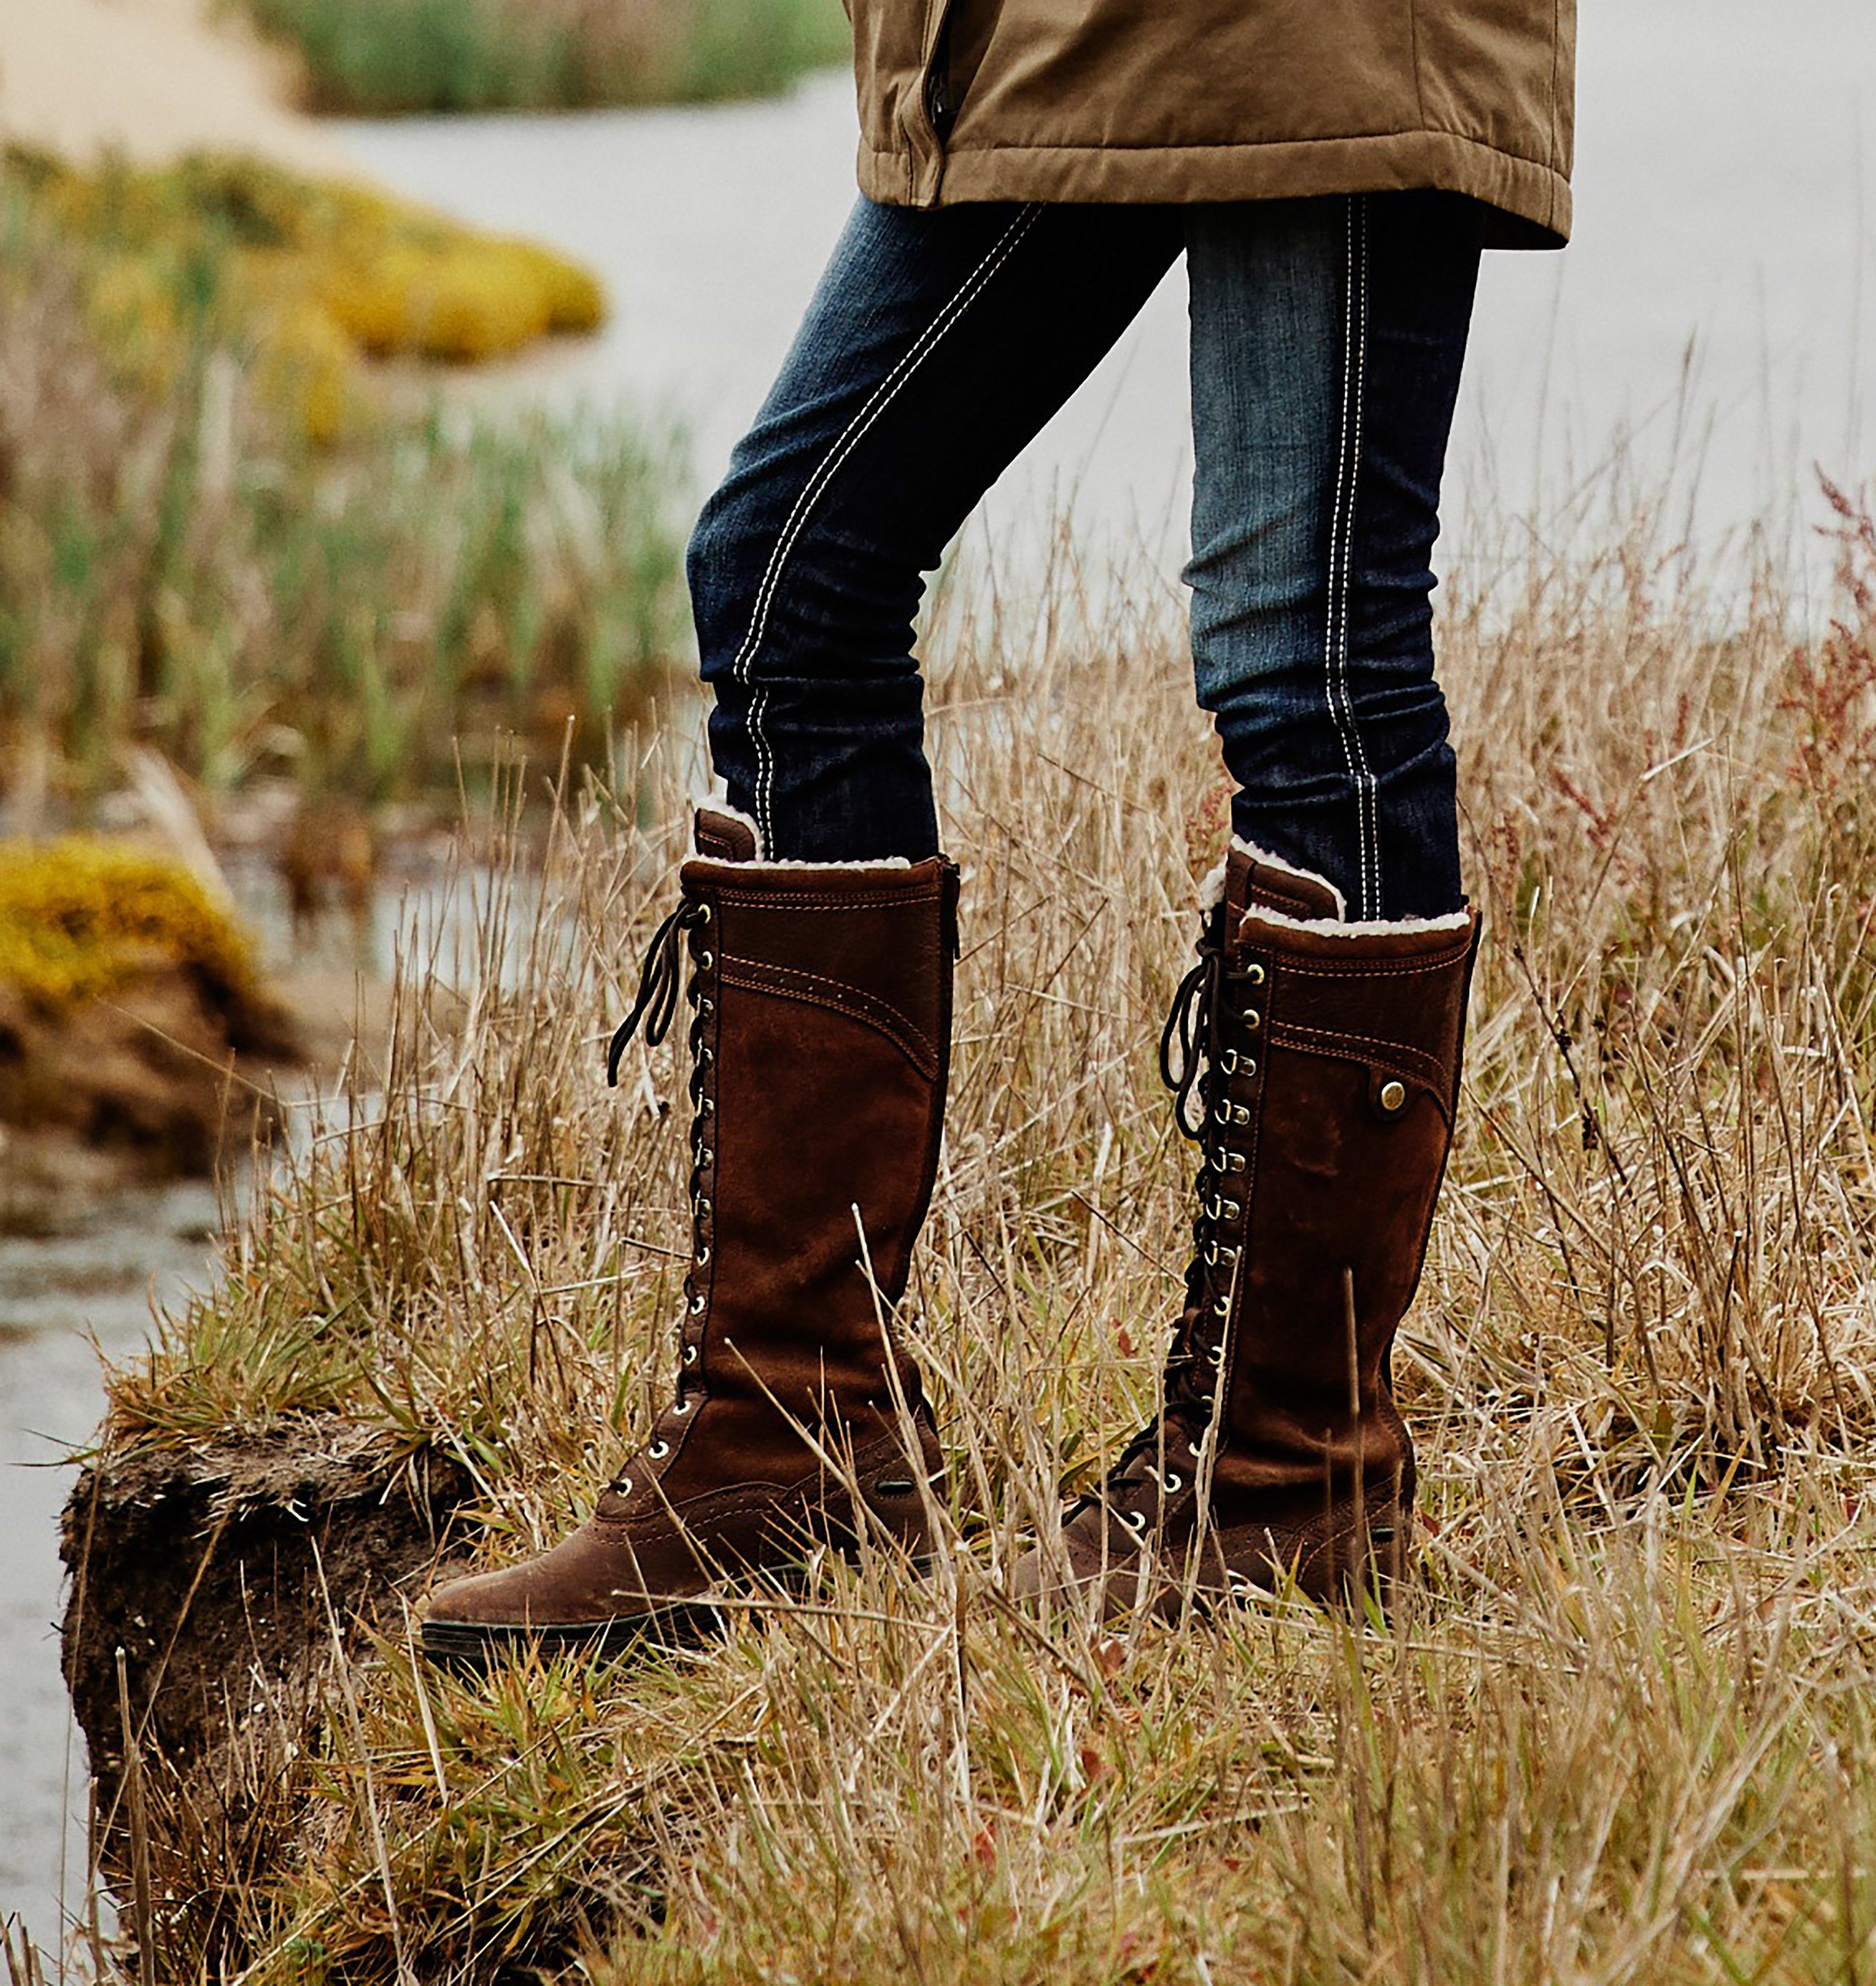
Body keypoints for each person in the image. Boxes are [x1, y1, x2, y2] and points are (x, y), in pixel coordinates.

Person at [419, 0, 1576, 1659]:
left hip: (1312, 42)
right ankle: (793, 1446)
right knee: (789, 573)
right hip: (1046, 33)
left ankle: (1286, 1481)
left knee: (1304, 655)